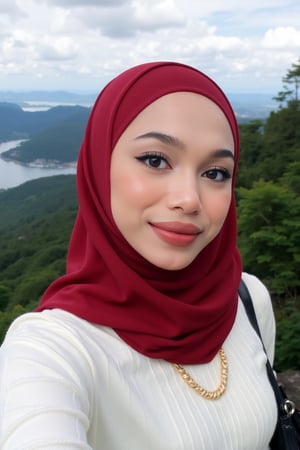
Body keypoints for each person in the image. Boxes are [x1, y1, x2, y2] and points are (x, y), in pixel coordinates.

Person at [0, 61, 277, 449]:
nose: (188, 200)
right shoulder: (51, 349)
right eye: (155, 160)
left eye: (215, 173)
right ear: (99, 166)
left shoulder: (247, 298)